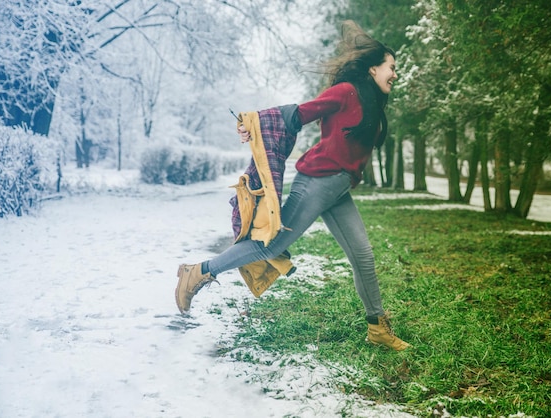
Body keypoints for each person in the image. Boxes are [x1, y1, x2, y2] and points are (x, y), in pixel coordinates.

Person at [175, 20, 410, 351]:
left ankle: (377, 329)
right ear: (373, 69)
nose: (395, 74)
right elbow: (299, 113)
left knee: (363, 256)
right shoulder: (346, 92)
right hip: (319, 180)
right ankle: (197, 271)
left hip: (338, 188)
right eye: (391, 67)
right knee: (271, 245)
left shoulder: (370, 102)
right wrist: (253, 124)